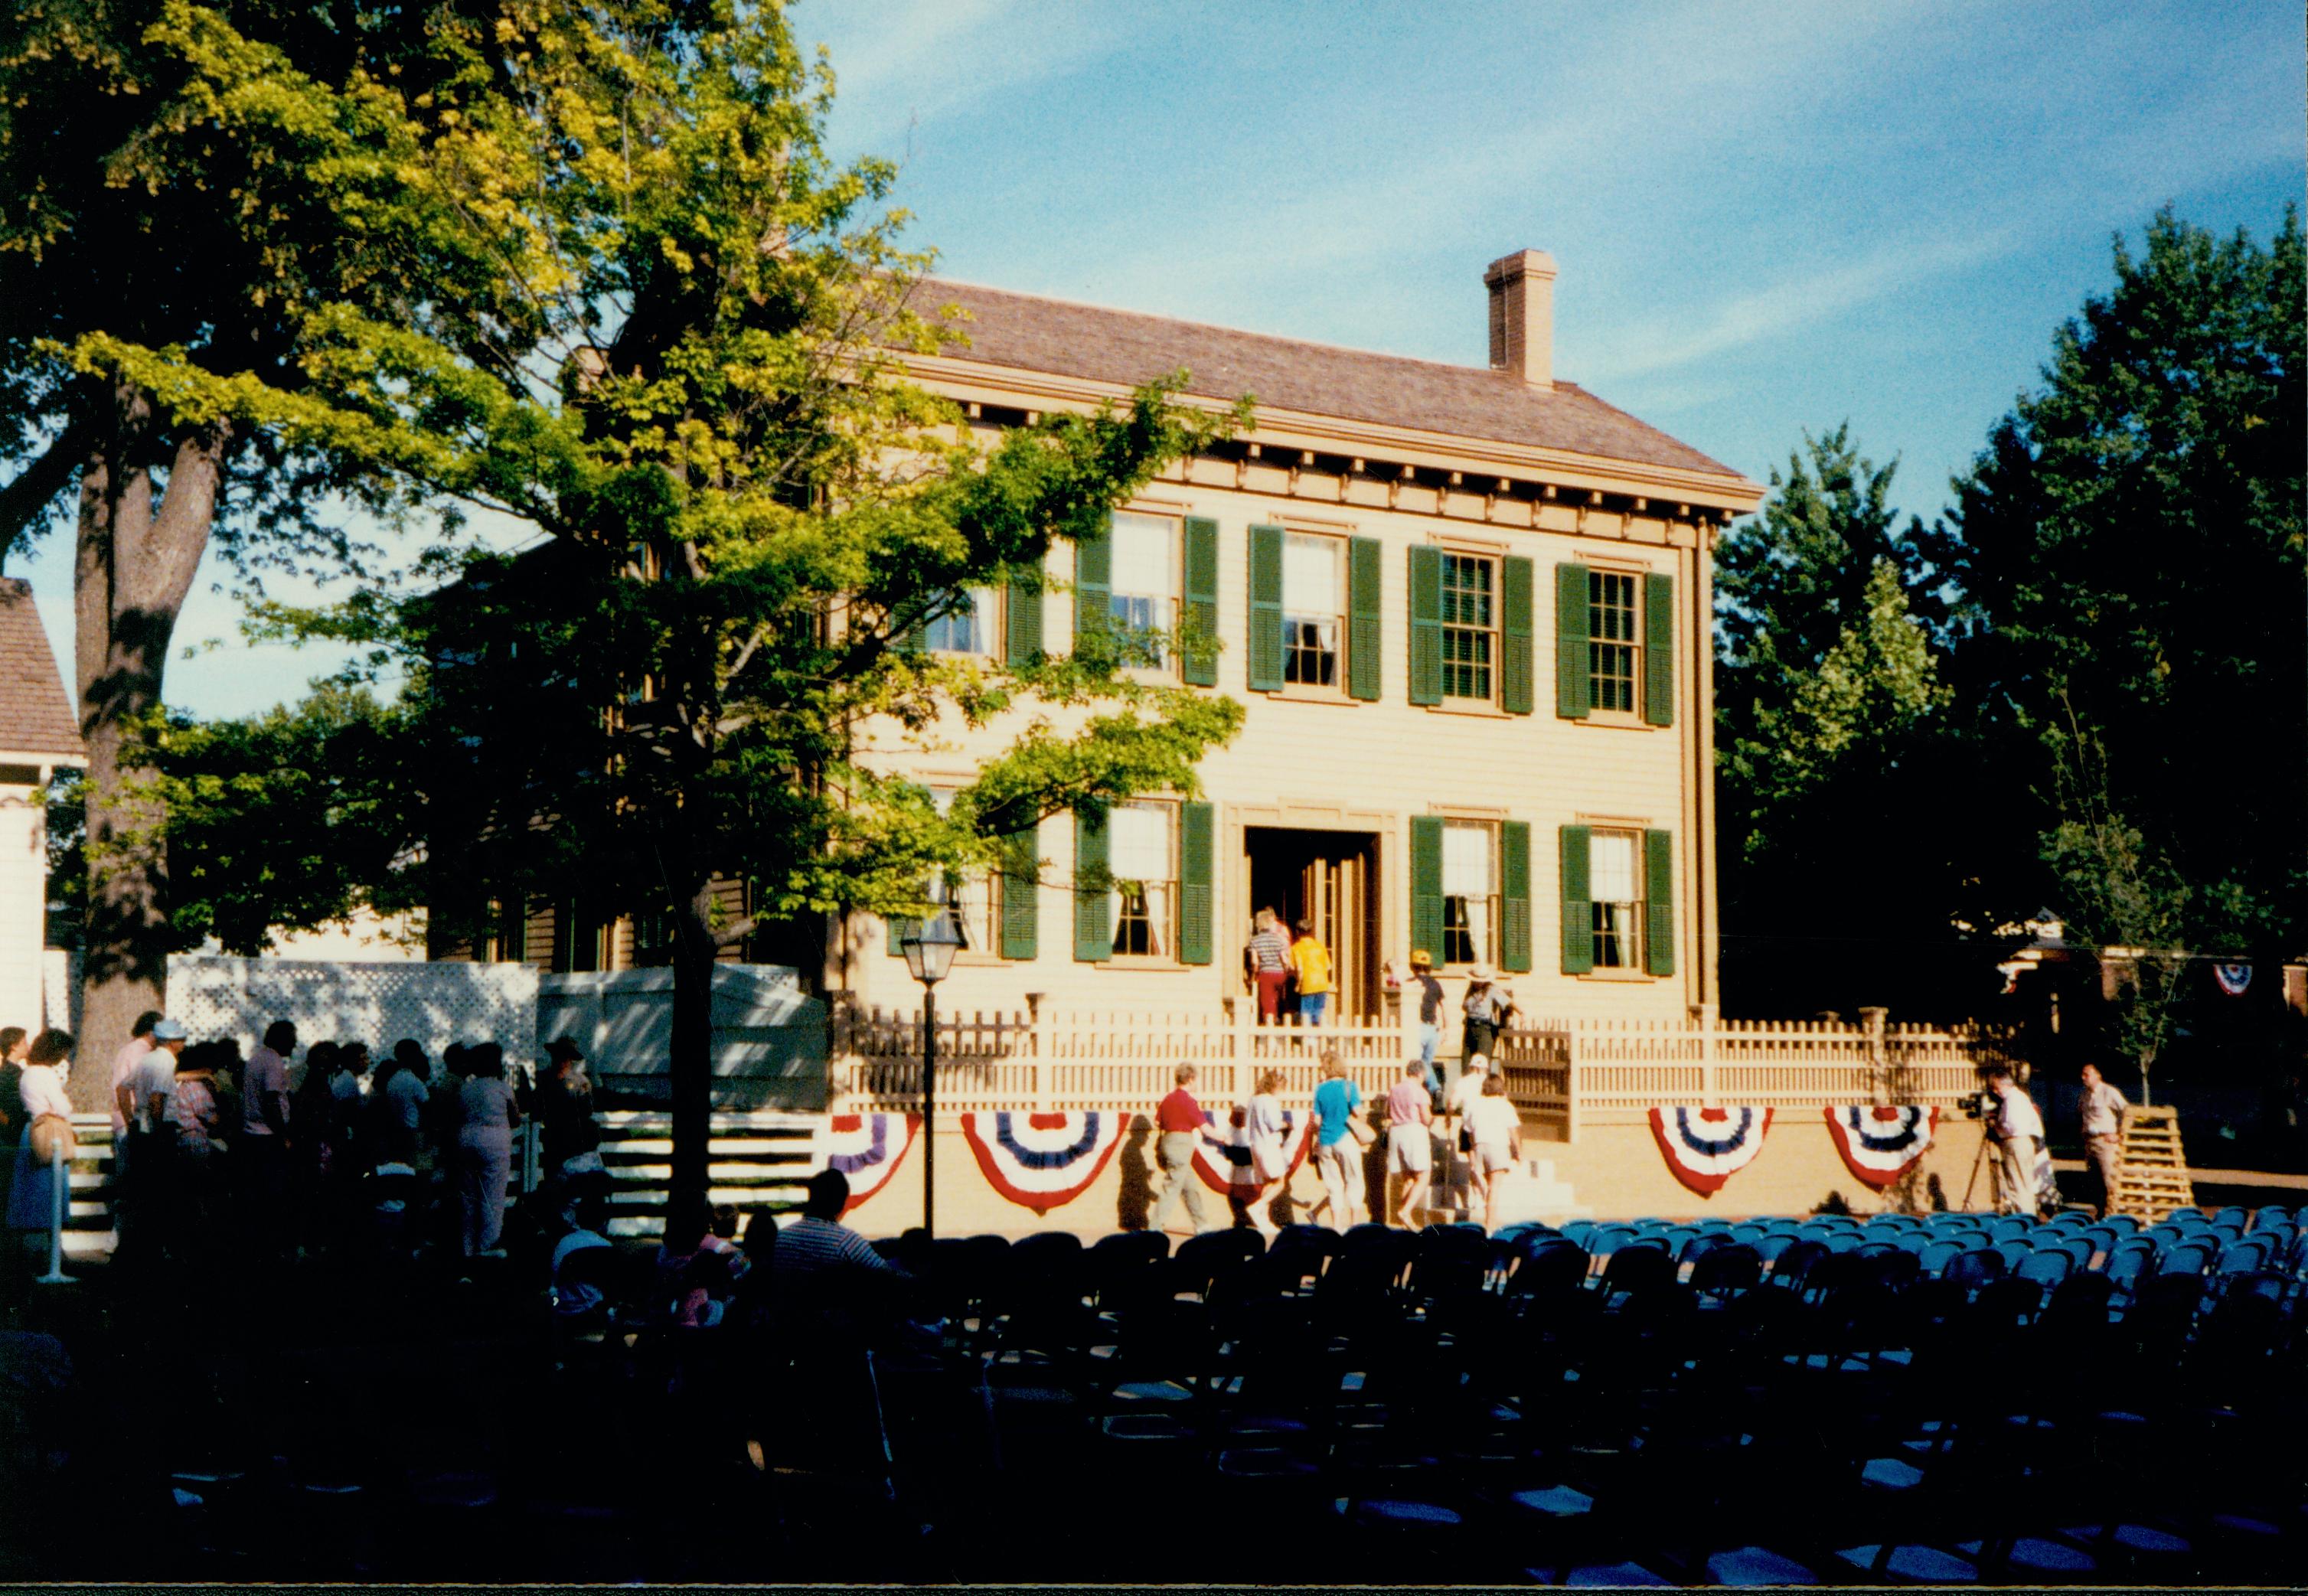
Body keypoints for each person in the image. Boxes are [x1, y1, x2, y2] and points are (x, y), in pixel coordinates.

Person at [772, 1168, 909, 1332]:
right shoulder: (846, 1241)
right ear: (840, 1203)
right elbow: (887, 1275)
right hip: (833, 1338)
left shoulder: (781, 1238)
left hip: (787, 1332)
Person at [7, 1030, 75, 1255]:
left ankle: (33, 1246)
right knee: (49, 1190)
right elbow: (62, 1107)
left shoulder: (27, 1073)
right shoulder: (46, 1074)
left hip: (32, 1130)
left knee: (30, 1190)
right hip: (48, 1131)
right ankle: (49, 1250)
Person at [455, 1042, 521, 1259]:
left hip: (466, 1139)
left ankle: (467, 1248)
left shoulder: (466, 1088)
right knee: (492, 1197)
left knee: (468, 1197)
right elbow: (515, 1119)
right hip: (495, 1142)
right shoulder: (503, 1088)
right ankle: (487, 1247)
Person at [240, 1020, 297, 1256]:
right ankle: (271, 1248)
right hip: (268, 1136)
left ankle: (258, 1246)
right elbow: (271, 1099)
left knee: (258, 1194)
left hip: (252, 1134)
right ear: (282, 1039)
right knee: (273, 1195)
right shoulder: (273, 1062)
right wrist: (283, 1135)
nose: (295, 1044)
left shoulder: (256, 1059)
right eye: (292, 1038)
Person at [1150, 1062, 1213, 1236]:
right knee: (1172, 1186)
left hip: (1167, 1140)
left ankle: (1201, 1224)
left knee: (1189, 1186)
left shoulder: (1168, 1099)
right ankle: (1155, 1226)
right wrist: (1224, 1138)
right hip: (1181, 1144)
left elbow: (1157, 1122)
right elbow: (1204, 1127)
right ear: (1191, 1079)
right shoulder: (1188, 1101)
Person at [1309, 1050, 1365, 1233]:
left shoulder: (1320, 1089)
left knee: (1334, 1185)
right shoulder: (1350, 1087)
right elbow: (1357, 1112)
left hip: (1325, 1140)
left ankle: (1336, 1225)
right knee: (1354, 1180)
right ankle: (1355, 1223)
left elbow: (1316, 1121)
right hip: (1345, 1138)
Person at [1985, 1066, 2048, 1217]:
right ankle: (2025, 1215)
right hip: (2020, 1143)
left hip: (2016, 1142)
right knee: (2021, 1184)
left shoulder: (2014, 1099)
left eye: (1996, 1087)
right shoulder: (2016, 1098)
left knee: (2019, 1184)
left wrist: (1997, 1127)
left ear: (2004, 1083)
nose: (1995, 1091)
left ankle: (2024, 1218)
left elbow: (2013, 1126)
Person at [1467, 1073, 1523, 1232]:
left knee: (1489, 1186)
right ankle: (1490, 1225)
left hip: (1479, 1145)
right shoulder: (1505, 1105)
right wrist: (1518, 1152)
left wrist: (1474, 1146)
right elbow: (1513, 1131)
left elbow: (1469, 1130)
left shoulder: (1475, 1104)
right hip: (1497, 1145)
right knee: (1495, 1187)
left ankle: (1488, 1217)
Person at [1383, 1059, 1435, 1229]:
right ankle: (1405, 1211)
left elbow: (1387, 1112)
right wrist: (1433, 1119)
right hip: (1414, 1131)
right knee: (1424, 1175)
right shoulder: (1419, 1091)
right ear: (1420, 1073)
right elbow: (1426, 1118)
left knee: (1408, 1179)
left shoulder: (1395, 1089)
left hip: (1396, 1131)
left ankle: (1405, 1221)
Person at [535, 1038, 596, 1174]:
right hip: (552, 1136)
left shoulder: (581, 1082)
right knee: (552, 1175)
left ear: (571, 1059)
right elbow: (537, 1105)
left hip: (574, 1137)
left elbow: (587, 1109)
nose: (561, 1060)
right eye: (558, 1055)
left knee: (573, 1176)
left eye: (565, 1056)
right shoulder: (544, 1079)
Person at [2078, 1062, 2130, 1219]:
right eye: (2082, 1074)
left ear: (2098, 1075)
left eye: (2087, 1074)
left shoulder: (2109, 1092)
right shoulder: (2084, 1095)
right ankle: (2101, 1214)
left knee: (2110, 1180)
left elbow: (2128, 1112)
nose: (2083, 1078)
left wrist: (2120, 1134)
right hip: (2090, 1142)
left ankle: (2115, 1215)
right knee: (2094, 1182)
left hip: (2106, 1142)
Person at [1243, 1069, 1288, 1235]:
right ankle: (1257, 1207)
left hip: (1255, 1145)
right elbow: (1275, 1124)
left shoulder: (1253, 1100)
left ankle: (1263, 1220)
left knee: (1269, 1182)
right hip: (1269, 1145)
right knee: (1280, 1182)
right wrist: (1287, 1124)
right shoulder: (1269, 1101)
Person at [1406, 951, 1445, 1100]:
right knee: (1426, 1062)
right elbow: (1444, 1006)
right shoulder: (1436, 984)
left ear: (1413, 967)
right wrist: (1445, 1028)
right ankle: (1433, 1091)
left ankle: (1433, 1088)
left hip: (1419, 1026)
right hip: (1433, 1028)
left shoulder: (1411, 983)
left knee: (1419, 1063)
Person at [1243, 909, 1293, 1023]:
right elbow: (1284, 960)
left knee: (1267, 1002)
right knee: (1276, 999)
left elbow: (1255, 962)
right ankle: (1277, 1020)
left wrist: (1253, 976)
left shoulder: (1255, 941)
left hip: (1266, 974)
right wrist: (1286, 971)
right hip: (1280, 975)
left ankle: (1269, 1026)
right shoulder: (1278, 939)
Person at [1461, 969, 1514, 1064]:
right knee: (1467, 1063)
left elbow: (1508, 1002)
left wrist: (1522, 1013)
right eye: (1476, 981)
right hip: (1470, 1027)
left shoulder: (1492, 989)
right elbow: (1464, 1006)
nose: (1478, 983)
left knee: (1482, 1061)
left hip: (1485, 1028)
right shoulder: (1471, 991)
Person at [1289, 919, 1335, 1027]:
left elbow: (1299, 968)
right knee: (1318, 1012)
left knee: (1306, 1014)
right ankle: (1319, 1036)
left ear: (1297, 932)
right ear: (1311, 932)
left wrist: (1298, 984)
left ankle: (1309, 1038)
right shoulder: (1320, 947)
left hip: (1308, 984)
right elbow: (1328, 967)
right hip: (1322, 984)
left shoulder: (1296, 948)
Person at [0, 1026, 25, 1148]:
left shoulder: (9, 1070)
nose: (28, 1046)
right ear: (13, 1046)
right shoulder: (11, 1073)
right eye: (24, 1043)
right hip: (12, 1133)